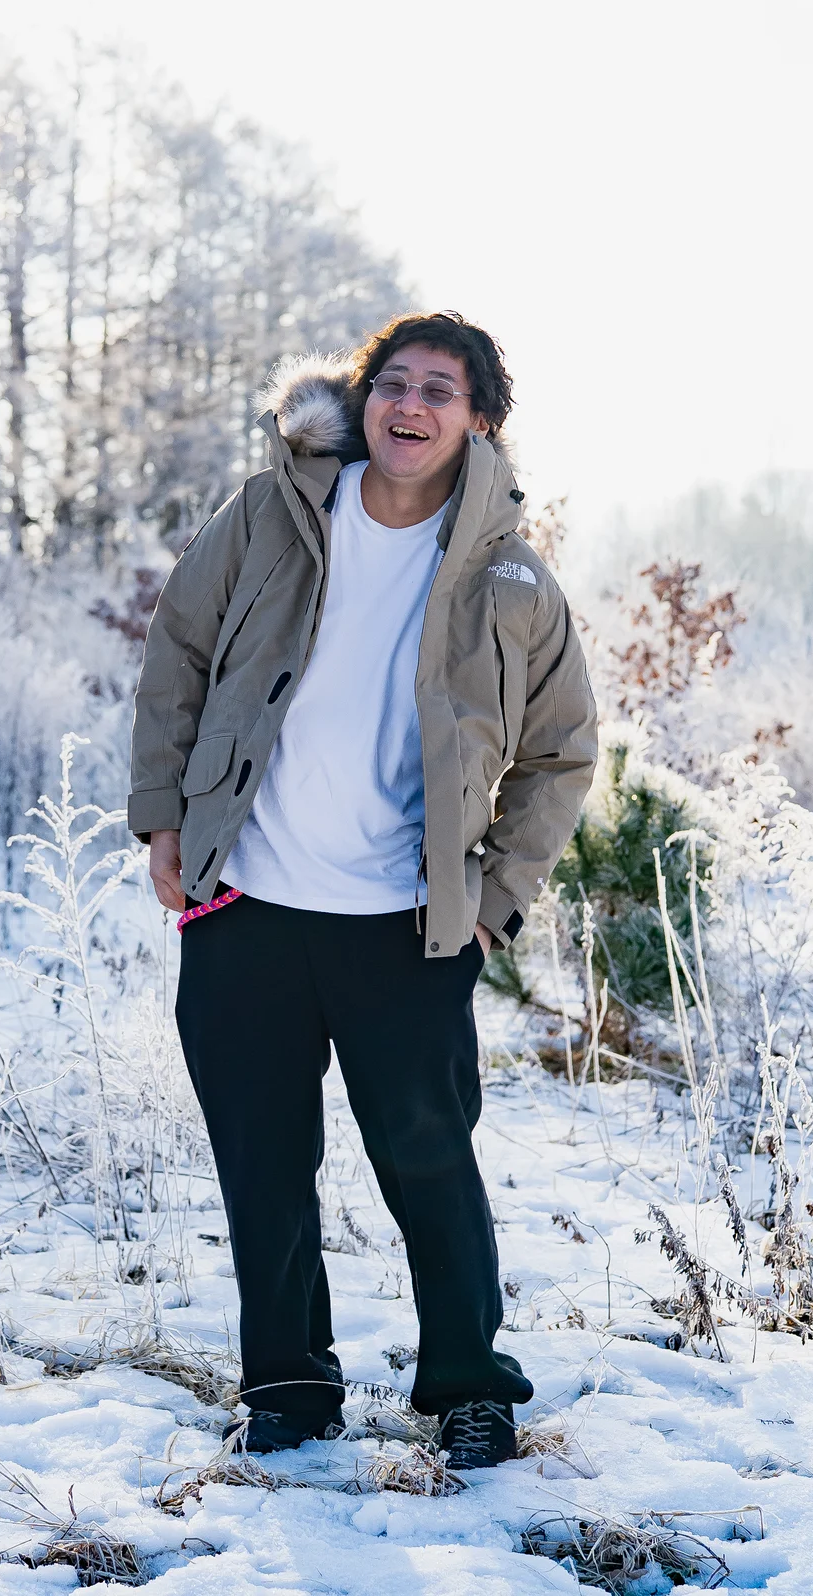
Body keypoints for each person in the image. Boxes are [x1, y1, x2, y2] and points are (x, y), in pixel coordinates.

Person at [127, 311, 598, 1467]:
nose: (411, 403)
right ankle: (286, 1383)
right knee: (263, 1159)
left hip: (407, 923)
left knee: (428, 1159)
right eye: (393, 381)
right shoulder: (273, 512)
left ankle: (466, 1385)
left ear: (477, 418)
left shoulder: (512, 578)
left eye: (441, 388)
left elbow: (559, 754)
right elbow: (176, 653)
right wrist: (160, 817)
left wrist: (492, 900)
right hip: (249, 905)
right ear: (361, 398)